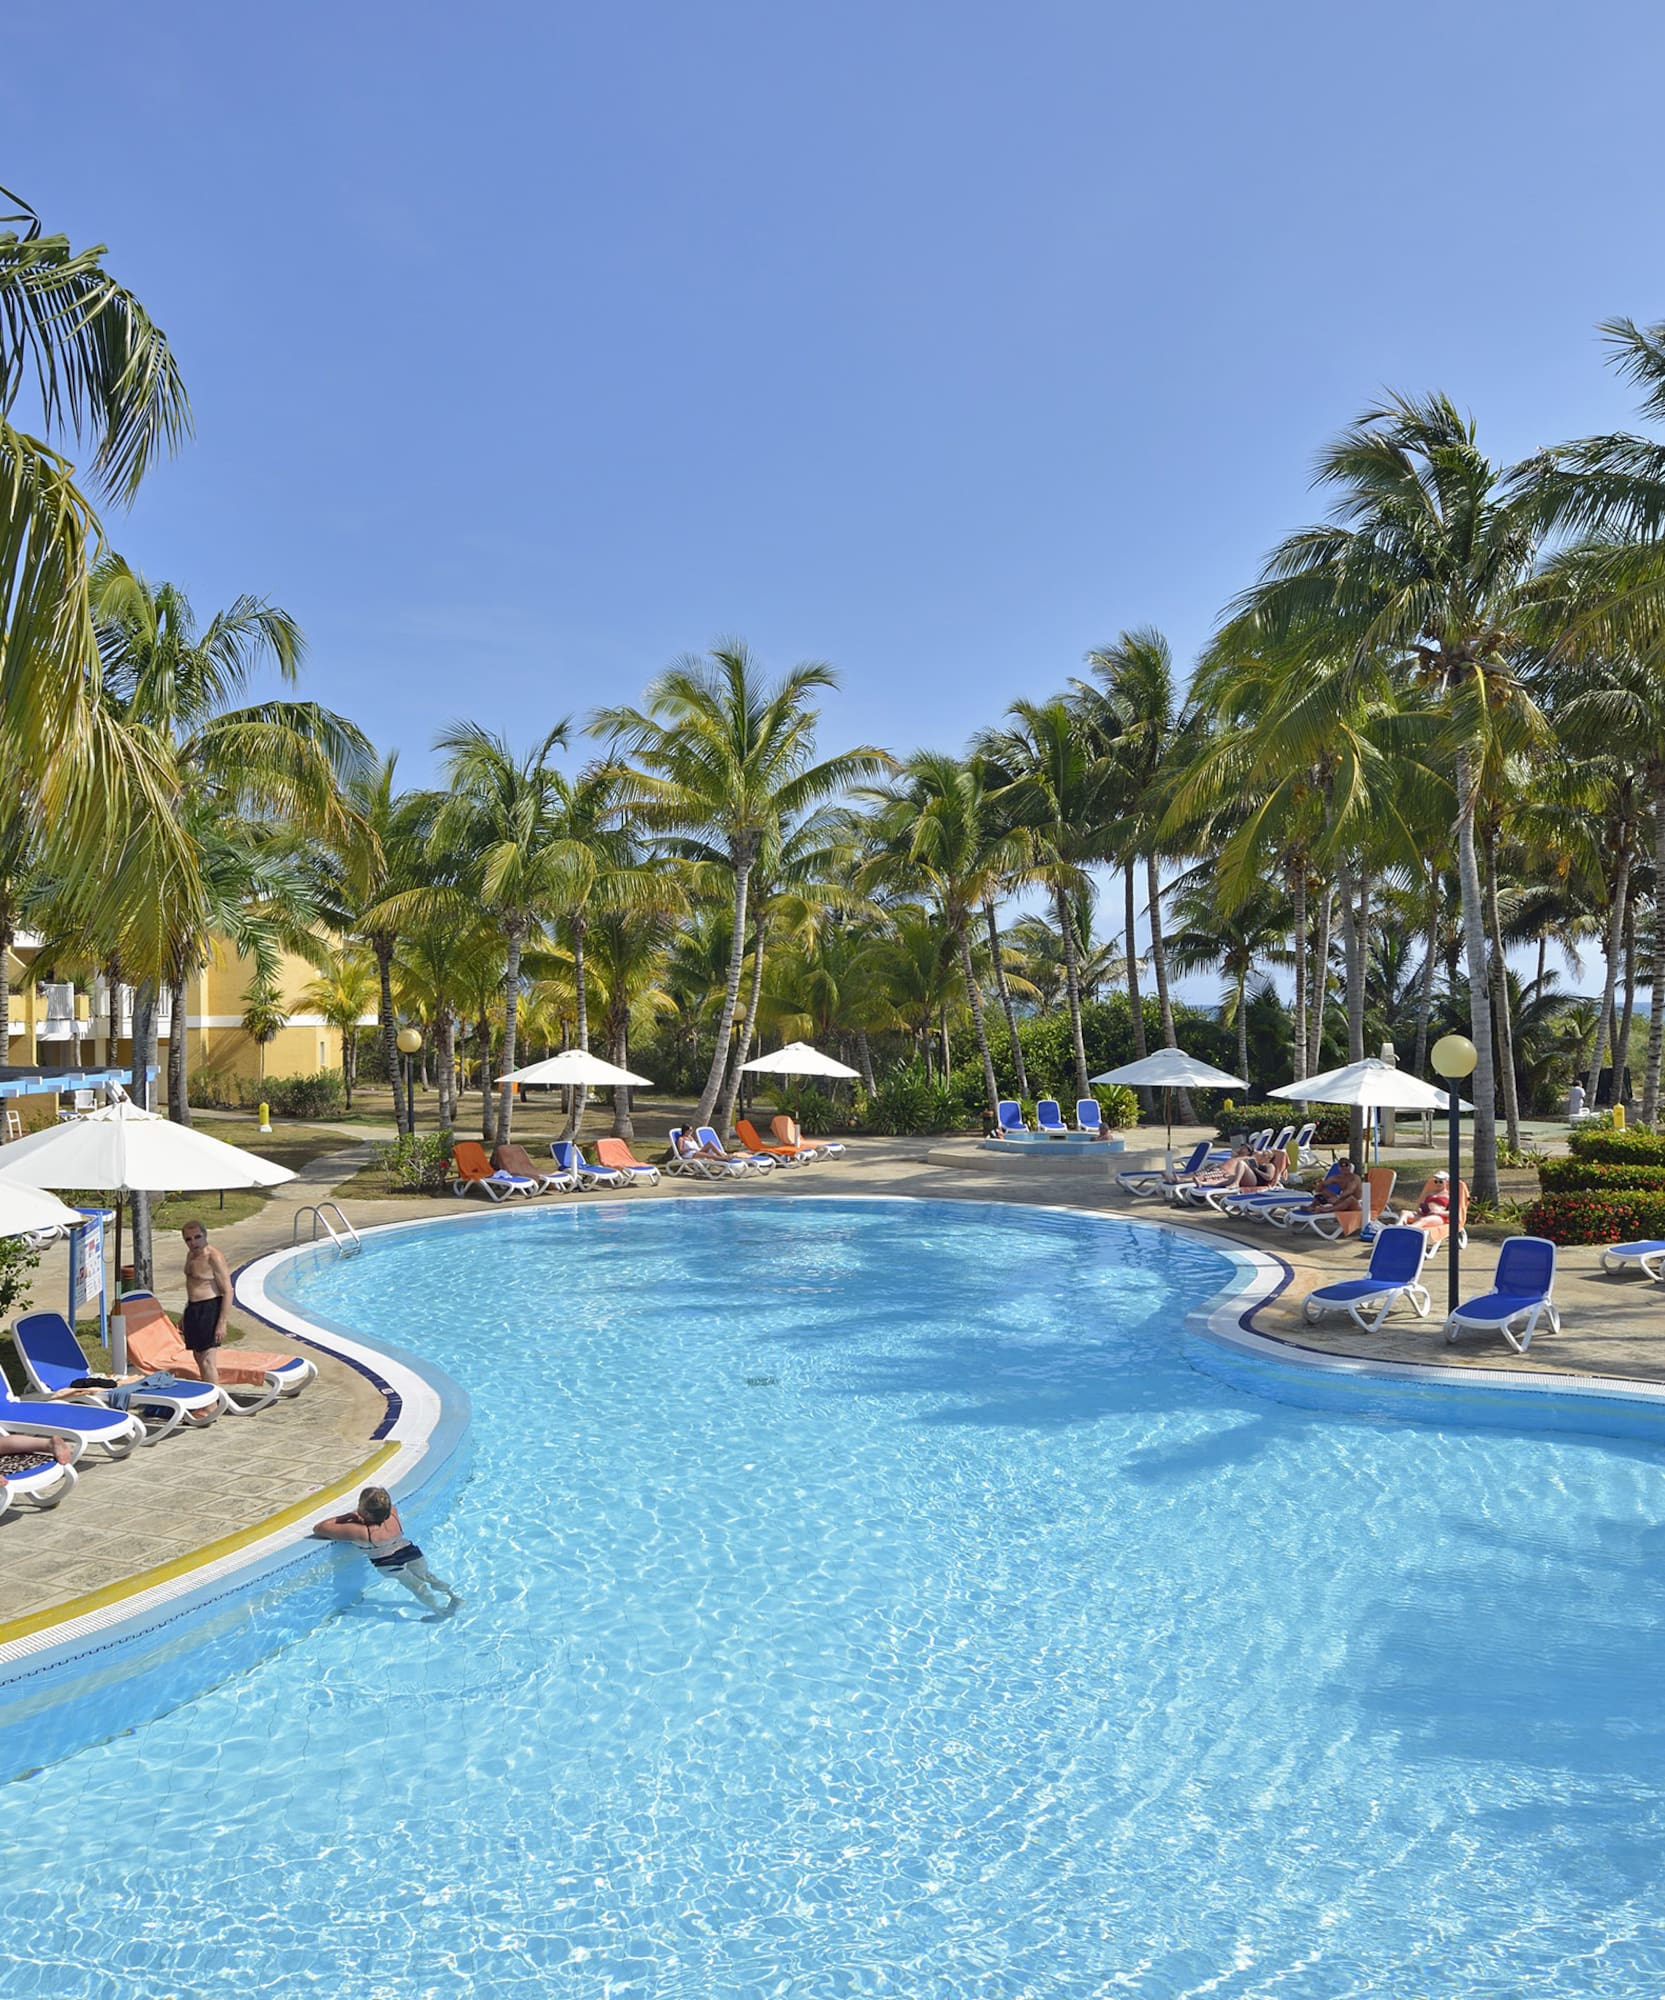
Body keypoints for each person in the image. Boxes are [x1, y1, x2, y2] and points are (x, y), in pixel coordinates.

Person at [314, 1485, 462, 1619]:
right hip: (409, 1551)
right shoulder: (393, 1515)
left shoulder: (362, 1532)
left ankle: (439, 1612)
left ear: (364, 1511)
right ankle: (454, 1597)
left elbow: (320, 1527)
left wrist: (350, 1516)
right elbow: (385, 1508)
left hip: (390, 1563)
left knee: (416, 1587)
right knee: (428, 1577)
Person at [180, 1220, 232, 1386]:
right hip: (194, 1309)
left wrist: (222, 1323)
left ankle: (212, 1404)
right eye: (188, 1239)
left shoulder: (213, 1257)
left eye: (197, 1237)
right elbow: (193, 1286)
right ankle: (210, 1395)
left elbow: (228, 1291)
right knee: (198, 1356)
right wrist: (185, 1314)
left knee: (208, 1360)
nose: (194, 1242)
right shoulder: (190, 1255)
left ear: (205, 1235)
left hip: (209, 1309)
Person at [1404, 1170, 1454, 1239]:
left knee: (1424, 1220)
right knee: (1404, 1213)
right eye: (1436, 1181)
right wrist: (1420, 1209)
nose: (1438, 1184)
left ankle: (1407, 1230)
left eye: (1440, 1182)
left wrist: (1438, 1212)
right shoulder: (1430, 1193)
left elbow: (1452, 1213)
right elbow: (1422, 1205)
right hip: (1425, 1215)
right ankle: (1397, 1228)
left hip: (1439, 1217)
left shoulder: (1449, 1195)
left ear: (1447, 1182)